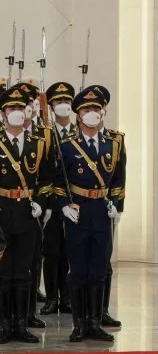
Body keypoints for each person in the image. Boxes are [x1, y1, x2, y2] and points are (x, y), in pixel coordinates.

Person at [54, 86, 123, 343]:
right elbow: (58, 181)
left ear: (102, 112)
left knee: (98, 269)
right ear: (78, 116)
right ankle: (79, 324)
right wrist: (63, 205)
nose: (92, 113)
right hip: (78, 213)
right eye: (86, 110)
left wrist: (116, 203)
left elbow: (118, 180)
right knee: (78, 270)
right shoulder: (67, 147)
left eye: (95, 109)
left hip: (102, 213)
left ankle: (95, 322)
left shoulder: (112, 145)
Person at [0, 83, 54, 343]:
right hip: (1, 214)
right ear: (3, 114)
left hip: (27, 214)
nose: (17, 112)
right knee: (2, 273)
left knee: (23, 272)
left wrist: (41, 203)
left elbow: (46, 179)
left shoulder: (37, 143)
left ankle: (21, 325)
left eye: (20, 107)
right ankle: (3, 325)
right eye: (11, 108)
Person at [40, 81, 76, 316]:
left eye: (66, 101)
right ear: (51, 106)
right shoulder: (45, 134)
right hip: (52, 201)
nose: (62, 105)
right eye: (58, 102)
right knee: (51, 252)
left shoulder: (80, 132)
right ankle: (52, 297)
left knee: (71, 252)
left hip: (75, 201)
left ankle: (68, 298)